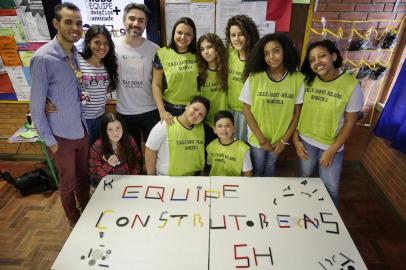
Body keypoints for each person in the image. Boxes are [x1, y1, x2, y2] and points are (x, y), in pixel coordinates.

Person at [29, 2, 89, 227]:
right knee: (68, 183)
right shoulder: (43, 58)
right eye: (68, 22)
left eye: (79, 23)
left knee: (84, 177)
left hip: (80, 130)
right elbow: (36, 107)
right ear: (55, 24)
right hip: (61, 136)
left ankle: (88, 214)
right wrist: (50, 142)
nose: (75, 28)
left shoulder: (74, 54)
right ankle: (75, 222)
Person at [293, 39, 364, 207]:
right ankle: (301, 213)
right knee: (303, 180)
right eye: (312, 59)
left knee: (330, 189)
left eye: (322, 56)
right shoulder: (307, 81)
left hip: (332, 145)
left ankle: (330, 230)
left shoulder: (351, 86)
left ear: (333, 56)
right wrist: (296, 140)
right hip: (306, 142)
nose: (317, 62)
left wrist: (332, 150)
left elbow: (349, 123)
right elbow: (299, 111)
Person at [240, 33, 305, 177]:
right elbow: (247, 110)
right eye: (266, 53)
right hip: (258, 138)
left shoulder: (298, 79)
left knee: (270, 168)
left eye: (276, 51)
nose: (271, 57)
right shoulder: (254, 78)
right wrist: (262, 140)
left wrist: (284, 141)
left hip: (280, 138)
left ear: (285, 51)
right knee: (258, 169)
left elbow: (297, 114)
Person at [44, 25, 118, 146]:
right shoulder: (76, 60)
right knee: (84, 152)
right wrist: (46, 101)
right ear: (88, 43)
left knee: (97, 150)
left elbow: (108, 87)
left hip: (100, 117)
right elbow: (55, 82)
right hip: (81, 119)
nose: (102, 47)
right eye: (97, 42)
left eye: (106, 43)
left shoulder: (109, 64)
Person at [115, 3, 160, 158]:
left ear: (145, 24)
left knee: (154, 151)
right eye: (132, 19)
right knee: (131, 154)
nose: (136, 23)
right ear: (124, 20)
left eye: (141, 20)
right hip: (124, 112)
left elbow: (158, 82)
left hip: (150, 111)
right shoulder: (112, 48)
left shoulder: (155, 49)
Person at [145, 96, 210, 176]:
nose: (197, 114)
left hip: (192, 178)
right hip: (166, 178)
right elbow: (150, 150)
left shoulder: (202, 130)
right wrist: (150, 177)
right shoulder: (165, 124)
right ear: (187, 105)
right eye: (195, 109)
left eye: (201, 115)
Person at [152, 17, 198, 124]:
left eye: (188, 34)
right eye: (179, 32)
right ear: (174, 33)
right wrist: (162, 111)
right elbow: (156, 84)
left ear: (193, 36)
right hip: (170, 110)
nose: (183, 37)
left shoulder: (199, 54)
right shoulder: (162, 54)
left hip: (194, 108)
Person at [225, 15, 259, 141]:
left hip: (249, 114)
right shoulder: (229, 54)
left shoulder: (258, 59)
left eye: (241, 34)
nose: (236, 39)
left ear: (249, 35)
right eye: (233, 35)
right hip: (230, 110)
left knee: (245, 148)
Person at [89, 113, 142, 186]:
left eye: (118, 128)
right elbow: (95, 177)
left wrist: (131, 179)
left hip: (127, 181)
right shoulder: (96, 147)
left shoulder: (129, 140)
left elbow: (137, 163)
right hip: (106, 184)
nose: (115, 133)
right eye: (110, 129)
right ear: (105, 131)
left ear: (123, 127)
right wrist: (108, 165)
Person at [196, 33, 228, 146]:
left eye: (209, 47)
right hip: (207, 123)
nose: (206, 52)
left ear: (218, 47)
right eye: (202, 49)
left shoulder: (227, 70)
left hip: (226, 124)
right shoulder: (199, 73)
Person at [206, 110, 252, 176]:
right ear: (214, 129)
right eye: (220, 126)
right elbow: (209, 167)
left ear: (234, 128)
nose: (224, 129)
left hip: (234, 184)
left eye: (227, 125)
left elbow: (248, 174)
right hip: (215, 184)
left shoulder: (243, 148)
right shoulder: (210, 146)